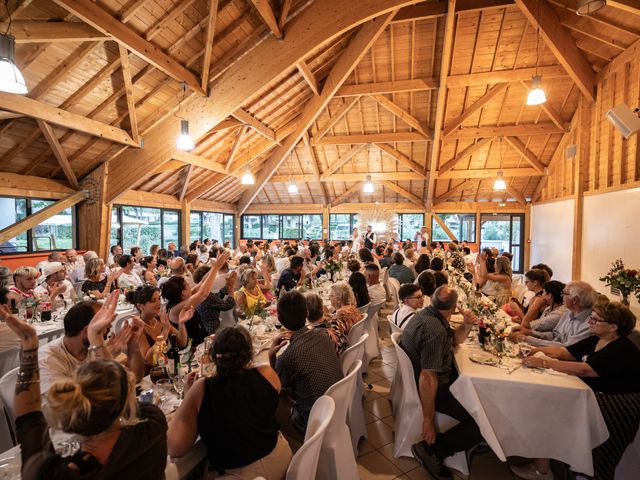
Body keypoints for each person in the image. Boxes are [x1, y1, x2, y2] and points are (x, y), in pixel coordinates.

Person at [0, 298, 167, 479]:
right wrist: (102, 349)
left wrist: (29, 344)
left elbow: (29, 418)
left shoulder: (56, 474)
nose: (109, 331)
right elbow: (120, 386)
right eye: (105, 327)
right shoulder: (153, 422)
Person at [516, 302, 640, 480]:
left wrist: (544, 362)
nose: (590, 322)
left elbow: (585, 369)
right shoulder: (597, 338)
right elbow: (564, 353)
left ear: (613, 327)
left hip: (619, 405)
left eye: (595, 320)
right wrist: (532, 349)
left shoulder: (622, 348)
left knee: (547, 409)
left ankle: (542, 470)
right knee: (545, 399)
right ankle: (545, 459)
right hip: (590, 393)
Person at [168, 326, 291, 478]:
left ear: (213, 357)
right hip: (281, 460)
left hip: (240, 474)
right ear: (250, 353)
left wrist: (189, 398)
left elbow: (175, 447)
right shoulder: (267, 374)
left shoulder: (202, 388)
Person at [401, 286, 483, 479]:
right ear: (454, 307)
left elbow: (454, 340)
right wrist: (428, 420)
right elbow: (428, 377)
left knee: (479, 398)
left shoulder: (428, 315)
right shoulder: (434, 331)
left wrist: (467, 324)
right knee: (484, 418)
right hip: (436, 387)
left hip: (439, 378)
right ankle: (433, 450)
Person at [269, 290, 343, 449]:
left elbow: (278, 390)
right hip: (339, 405)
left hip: (313, 421)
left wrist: (271, 356)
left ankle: (293, 452)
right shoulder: (323, 334)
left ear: (280, 320)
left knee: (272, 402)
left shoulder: (286, 358)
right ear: (306, 312)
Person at [39, 291, 145, 392]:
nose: (110, 327)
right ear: (87, 331)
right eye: (105, 324)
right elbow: (72, 405)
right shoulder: (47, 359)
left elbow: (133, 380)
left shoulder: (95, 347)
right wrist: (104, 359)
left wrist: (133, 347)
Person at [161, 252, 230, 347]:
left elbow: (201, 282)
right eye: (187, 285)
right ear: (183, 292)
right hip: (192, 349)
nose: (190, 285)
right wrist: (215, 268)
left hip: (201, 339)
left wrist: (215, 266)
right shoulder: (175, 309)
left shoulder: (182, 298)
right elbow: (203, 294)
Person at [126, 285, 189, 364]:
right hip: (152, 373)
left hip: (169, 366)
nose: (158, 303)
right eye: (153, 300)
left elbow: (182, 343)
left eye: (159, 299)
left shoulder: (159, 319)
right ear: (140, 306)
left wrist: (181, 323)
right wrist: (165, 331)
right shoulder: (138, 327)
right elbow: (151, 360)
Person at [523, 281, 596, 347]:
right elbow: (554, 335)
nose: (562, 296)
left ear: (574, 300)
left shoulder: (589, 323)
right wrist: (530, 333)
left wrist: (527, 339)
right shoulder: (568, 313)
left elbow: (567, 348)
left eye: (564, 293)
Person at [192, 265, 237, 335]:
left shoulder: (199, 291)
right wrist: (231, 287)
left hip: (204, 325)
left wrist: (227, 286)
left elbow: (216, 298)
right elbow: (228, 305)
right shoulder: (206, 295)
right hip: (208, 330)